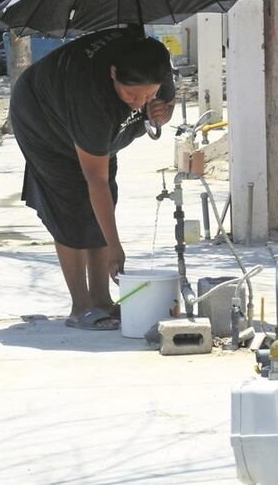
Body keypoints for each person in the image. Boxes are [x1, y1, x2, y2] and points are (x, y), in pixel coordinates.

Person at [9, 28, 176, 330]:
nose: (139, 103)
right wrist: (115, 246)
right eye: (131, 95)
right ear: (113, 74)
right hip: (42, 120)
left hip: (91, 127)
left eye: (148, 94)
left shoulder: (156, 63)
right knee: (71, 206)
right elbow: (94, 182)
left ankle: (102, 301)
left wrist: (161, 112)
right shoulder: (89, 97)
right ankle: (81, 306)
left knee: (104, 201)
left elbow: (162, 109)